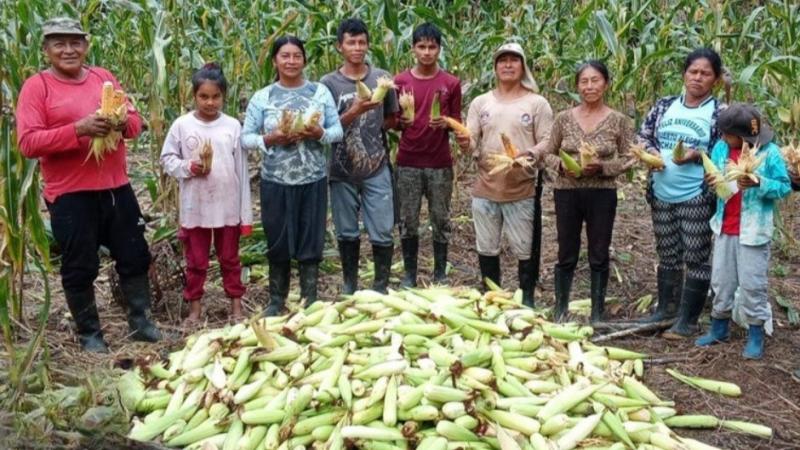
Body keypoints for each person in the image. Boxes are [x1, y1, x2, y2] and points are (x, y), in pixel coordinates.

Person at [15, 18, 160, 352]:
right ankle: (90, 334)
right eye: (59, 44)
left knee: (135, 255)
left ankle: (141, 323)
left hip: (116, 187)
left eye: (75, 42)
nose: (69, 50)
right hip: (69, 194)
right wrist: (77, 129)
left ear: (86, 45)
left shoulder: (103, 77)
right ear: (46, 49)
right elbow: (28, 143)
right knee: (80, 265)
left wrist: (123, 122)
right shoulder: (37, 87)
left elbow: (136, 125)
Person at [241, 36, 343, 316]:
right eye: (285, 56)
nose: (291, 61)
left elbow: (337, 132)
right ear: (275, 60)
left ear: (304, 60)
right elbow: (245, 138)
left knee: (311, 239)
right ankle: (277, 301)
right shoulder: (263, 97)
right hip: (275, 180)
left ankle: (310, 299)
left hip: (312, 179)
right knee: (278, 239)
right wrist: (271, 139)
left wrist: (318, 133)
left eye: (297, 56)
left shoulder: (319, 92)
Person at [637, 48, 726, 339]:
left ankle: (687, 320)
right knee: (668, 253)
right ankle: (666, 309)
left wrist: (698, 154)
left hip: (696, 196)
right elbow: (645, 135)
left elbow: (725, 151)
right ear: (684, 74)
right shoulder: (664, 106)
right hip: (662, 192)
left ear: (715, 79)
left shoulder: (719, 113)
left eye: (705, 73)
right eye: (693, 72)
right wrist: (649, 152)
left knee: (697, 255)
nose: (698, 78)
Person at [457, 42, 553, 307]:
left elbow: (548, 140)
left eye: (514, 60)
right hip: (486, 186)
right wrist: (465, 143)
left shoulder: (536, 103)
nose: (508, 65)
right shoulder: (481, 103)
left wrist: (530, 154)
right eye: (502, 60)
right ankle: (493, 297)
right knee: (486, 246)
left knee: (525, 248)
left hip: (521, 188)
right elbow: (472, 139)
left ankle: (527, 299)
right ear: (495, 67)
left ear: (523, 66)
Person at [537, 61, 634, 322]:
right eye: (584, 81)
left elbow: (629, 159)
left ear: (606, 83)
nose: (589, 86)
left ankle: (596, 312)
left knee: (599, 252)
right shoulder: (563, 119)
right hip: (567, 192)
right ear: (577, 86)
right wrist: (562, 166)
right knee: (566, 250)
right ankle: (561, 307)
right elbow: (546, 153)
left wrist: (602, 167)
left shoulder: (619, 121)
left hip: (601, 193)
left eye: (595, 80)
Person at [694, 103, 790, 359]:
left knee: (752, 283)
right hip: (725, 226)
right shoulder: (721, 149)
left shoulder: (770, 154)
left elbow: (783, 187)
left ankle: (755, 333)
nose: (724, 138)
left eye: (728, 134)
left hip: (754, 230)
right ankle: (719, 328)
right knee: (721, 281)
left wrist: (759, 182)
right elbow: (716, 180)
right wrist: (713, 181)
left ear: (743, 137)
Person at [160, 63, 252, 325]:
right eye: (204, 96)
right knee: (196, 262)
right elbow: (167, 159)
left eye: (216, 97)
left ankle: (236, 307)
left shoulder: (233, 126)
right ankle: (195, 311)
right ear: (194, 96)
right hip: (196, 207)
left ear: (224, 96)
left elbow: (242, 171)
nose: (210, 102)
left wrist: (245, 214)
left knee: (230, 260)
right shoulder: (182, 125)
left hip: (227, 206)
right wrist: (188, 167)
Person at [321, 18, 400, 294]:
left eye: (362, 42)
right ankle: (349, 285)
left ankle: (380, 286)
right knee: (346, 231)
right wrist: (354, 112)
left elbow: (390, 119)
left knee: (382, 228)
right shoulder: (328, 84)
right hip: (341, 169)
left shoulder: (381, 77)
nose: (357, 47)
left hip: (376, 166)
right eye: (351, 42)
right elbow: (326, 129)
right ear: (339, 46)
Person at [394, 23, 463, 287]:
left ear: (439, 49)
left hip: (439, 163)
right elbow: (393, 120)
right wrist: (401, 122)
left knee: (440, 218)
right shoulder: (400, 82)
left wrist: (445, 122)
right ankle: (410, 274)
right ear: (413, 49)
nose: (426, 52)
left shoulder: (450, 83)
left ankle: (440, 272)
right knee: (408, 219)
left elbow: (456, 121)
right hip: (408, 161)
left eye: (432, 47)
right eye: (421, 47)